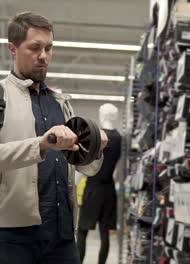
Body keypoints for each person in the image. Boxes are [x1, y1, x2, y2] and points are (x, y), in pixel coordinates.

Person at [0, 11, 108, 264]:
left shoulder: (61, 104)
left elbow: (80, 165)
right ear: (13, 48)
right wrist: (40, 144)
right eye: (35, 48)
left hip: (62, 236)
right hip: (12, 236)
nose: (44, 56)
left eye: (49, 48)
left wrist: (95, 147)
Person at [78, 103, 122, 264]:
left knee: (82, 231)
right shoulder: (119, 138)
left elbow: (84, 163)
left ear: (103, 115)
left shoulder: (95, 135)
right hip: (109, 189)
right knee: (105, 232)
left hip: (93, 187)